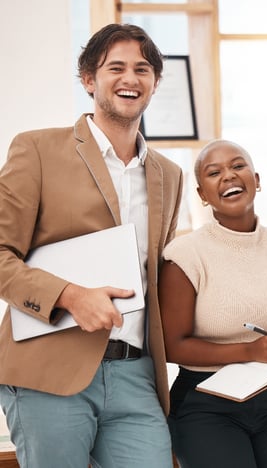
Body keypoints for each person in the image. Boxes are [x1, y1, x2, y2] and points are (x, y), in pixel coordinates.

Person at [0, 23, 183, 467]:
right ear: (88, 80)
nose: (130, 78)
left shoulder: (169, 174)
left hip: (136, 374)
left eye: (142, 69)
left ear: (155, 83)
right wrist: (69, 297)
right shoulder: (38, 150)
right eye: (115, 67)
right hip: (49, 371)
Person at [159, 139, 267, 468]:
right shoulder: (185, 255)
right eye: (214, 172)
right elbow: (172, 345)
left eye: (238, 166)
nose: (228, 176)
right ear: (202, 194)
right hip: (205, 404)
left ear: (257, 180)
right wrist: (248, 352)